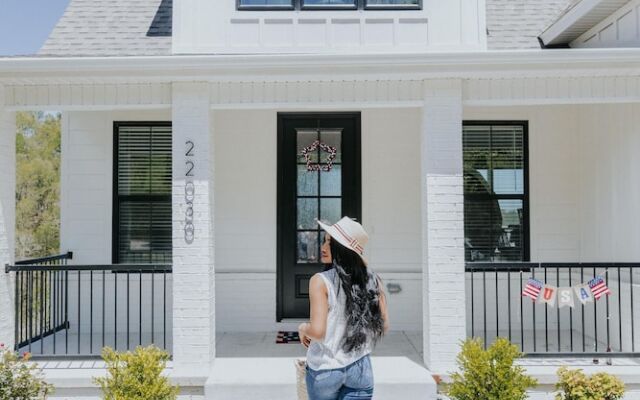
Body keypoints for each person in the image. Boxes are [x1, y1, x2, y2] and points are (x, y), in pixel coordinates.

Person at [298, 217, 389, 400]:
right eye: (324, 241)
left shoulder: (320, 281)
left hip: (325, 370)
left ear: (343, 249)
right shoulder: (372, 279)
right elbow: (384, 325)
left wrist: (302, 328)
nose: (323, 247)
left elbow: (317, 332)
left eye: (330, 243)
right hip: (361, 368)